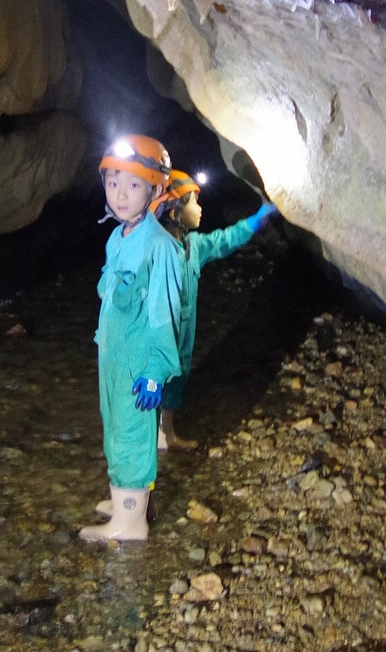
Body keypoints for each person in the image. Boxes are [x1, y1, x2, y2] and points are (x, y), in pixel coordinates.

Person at [78, 135, 185, 544]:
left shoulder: (160, 247)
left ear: (155, 189)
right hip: (113, 360)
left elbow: (164, 315)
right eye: (113, 182)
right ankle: (124, 498)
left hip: (139, 363)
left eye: (133, 185)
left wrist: (156, 372)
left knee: (132, 435)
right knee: (115, 429)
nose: (120, 194)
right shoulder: (117, 238)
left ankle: (131, 522)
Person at [157, 172, 277, 449]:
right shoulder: (155, 249)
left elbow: (223, 240)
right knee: (153, 381)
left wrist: (257, 220)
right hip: (157, 332)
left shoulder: (193, 246)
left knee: (177, 378)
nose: (200, 209)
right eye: (193, 203)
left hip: (183, 329)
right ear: (174, 210)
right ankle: (138, 452)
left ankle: (166, 436)